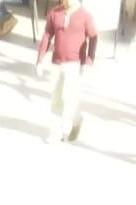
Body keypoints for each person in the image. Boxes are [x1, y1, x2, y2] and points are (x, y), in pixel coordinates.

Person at [36, 0, 98, 143]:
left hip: (75, 63)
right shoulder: (55, 13)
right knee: (56, 98)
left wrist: (89, 61)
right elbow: (47, 35)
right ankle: (55, 131)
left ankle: (72, 123)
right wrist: (40, 59)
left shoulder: (85, 16)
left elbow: (93, 38)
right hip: (57, 62)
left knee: (69, 98)